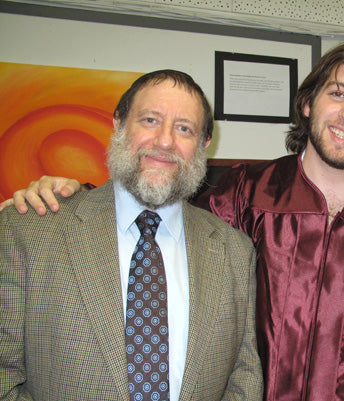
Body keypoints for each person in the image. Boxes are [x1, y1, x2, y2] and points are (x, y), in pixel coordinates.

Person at [1, 41, 344, 400]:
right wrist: (74, 194)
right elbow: (154, 204)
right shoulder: (246, 194)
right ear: (306, 104)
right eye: (337, 94)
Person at [0, 70, 263, 400]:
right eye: (150, 120)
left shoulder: (235, 251)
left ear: (203, 144)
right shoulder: (28, 229)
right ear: (119, 123)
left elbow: (244, 377)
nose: (165, 141)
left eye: (184, 128)